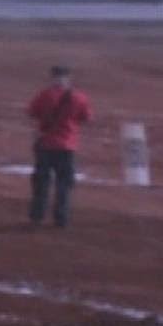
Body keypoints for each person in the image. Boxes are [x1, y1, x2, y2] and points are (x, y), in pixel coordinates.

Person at [26, 66, 93, 228]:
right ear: (69, 77)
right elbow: (86, 118)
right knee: (64, 184)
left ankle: (37, 216)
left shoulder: (45, 95)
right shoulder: (79, 97)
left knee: (41, 182)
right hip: (67, 146)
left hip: (45, 144)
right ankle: (61, 218)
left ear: (53, 77)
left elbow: (31, 112)